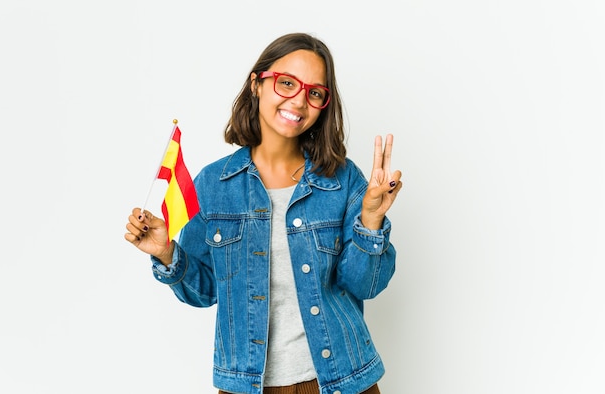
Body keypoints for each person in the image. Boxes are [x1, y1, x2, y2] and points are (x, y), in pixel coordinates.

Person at [124, 32, 403, 394]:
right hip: (245, 385)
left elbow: (365, 285)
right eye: (287, 83)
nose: (299, 101)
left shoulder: (343, 180)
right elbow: (205, 291)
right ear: (257, 84)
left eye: (314, 93)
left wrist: (370, 220)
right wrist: (166, 253)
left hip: (342, 382)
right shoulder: (213, 185)